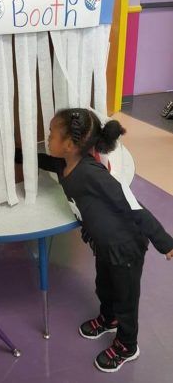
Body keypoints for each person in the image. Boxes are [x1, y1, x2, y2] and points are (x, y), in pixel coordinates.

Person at [16, 108, 173, 373]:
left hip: (125, 248)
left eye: (52, 134)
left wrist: (165, 242)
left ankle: (127, 345)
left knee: (126, 298)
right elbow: (43, 160)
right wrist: (14, 154)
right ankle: (108, 318)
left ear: (69, 144)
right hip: (103, 245)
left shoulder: (92, 172)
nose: (47, 137)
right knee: (104, 285)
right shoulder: (64, 164)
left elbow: (132, 205)